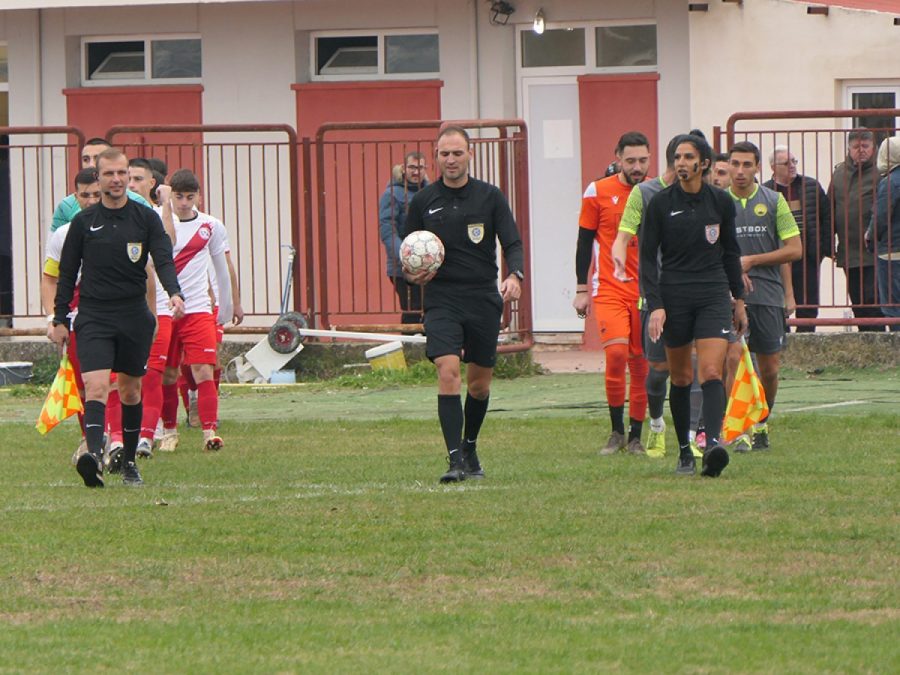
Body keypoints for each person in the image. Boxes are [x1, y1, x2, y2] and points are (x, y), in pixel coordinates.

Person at [48, 148, 185, 487]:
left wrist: (174, 292)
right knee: (94, 386)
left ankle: (128, 465)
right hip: (94, 315)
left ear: (128, 175)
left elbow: (163, 259)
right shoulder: (83, 222)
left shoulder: (145, 219)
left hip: (133, 315)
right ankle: (94, 456)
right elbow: (66, 275)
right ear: (99, 177)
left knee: (130, 391)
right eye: (109, 173)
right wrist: (59, 318)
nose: (116, 179)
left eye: (122, 173)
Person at [402, 125, 524, 483]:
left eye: (457, 153)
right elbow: (408, 253)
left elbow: (512, 242)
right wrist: (413, 276)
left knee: (479, 385)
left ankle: (470, 446)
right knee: (448, 372)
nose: (451, 160)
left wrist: (514, 275)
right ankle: (454, 460)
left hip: (483, 297)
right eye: (444, 154)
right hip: (442, 298)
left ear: (470, 155)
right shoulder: (423, 202)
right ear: (435, 157)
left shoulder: (490, 197)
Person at [640, 134, 747, 477]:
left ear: (703, 162)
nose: (681, 163)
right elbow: (646, 260)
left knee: (712, 371)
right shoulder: (659, 204)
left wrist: (738, 299)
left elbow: (730, 252)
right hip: (675, 295)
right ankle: (685, 453)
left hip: (713, 293)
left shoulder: (720, 201)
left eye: (688, 157)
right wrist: (656, 304)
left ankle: (712, 445)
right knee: (682, 376)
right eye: (677, 157)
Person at [573, 131, 650, 456]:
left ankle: (635, 436)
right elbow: (583, 241)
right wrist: (580, 288)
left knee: (642, 362)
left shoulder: (655, 193)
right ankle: (616, 431)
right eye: (630, 160)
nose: (637, 166)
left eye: (643, 160)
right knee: (617, 355)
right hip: (609, 289)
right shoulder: (598, 191)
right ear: (617, 157)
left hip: (646, 291)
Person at [726, 141, 801, 451]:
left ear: (758, 167)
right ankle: (738, 429)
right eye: (735, 164)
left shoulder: (774, 201)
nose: (740, 171)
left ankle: (762, 423)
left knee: (769, 369)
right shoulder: (717, 202)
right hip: (727, 295)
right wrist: (731, 271)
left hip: (767, 294)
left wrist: (752, 261)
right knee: (732, 362)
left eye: (747, 165)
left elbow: (794, 249)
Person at [611, 134, 680, 459]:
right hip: (654, 295)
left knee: (703, 366)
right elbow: (624, 232)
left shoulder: (710, 196)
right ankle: (655, 425)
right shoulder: (645, 194)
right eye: (631, 160)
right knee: (657, 368)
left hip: (697, 293)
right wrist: (619, 251)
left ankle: (699, 435)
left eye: (642, 160)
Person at [157, 169, 234, 453]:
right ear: (170, 194)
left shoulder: (211, 226)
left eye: (190, 196)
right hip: (166, 309)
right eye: (179, 196)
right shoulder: (158, 218)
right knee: (168, 374)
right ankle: (169, 431)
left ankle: (209, 431)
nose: (185, 202)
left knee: (203, 370)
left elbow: (221, 267)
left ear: (199, 196)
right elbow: (167, 246)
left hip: (198, 308)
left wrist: (225, 307)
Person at [40, 168, 101, 464]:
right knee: (83, 384)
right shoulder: (63, 236)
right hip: (79, 319)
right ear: (75, 197)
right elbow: (50, 279)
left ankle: (124, 440)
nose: (90, 201)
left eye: (96, 194)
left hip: (119, 315)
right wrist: (55, 318)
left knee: (122, 383)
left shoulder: (126, 226)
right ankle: (92, 443)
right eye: (84, 195)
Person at [763, 145, 830, 332]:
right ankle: (781, 338)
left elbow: (826, 217)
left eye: (794, 161)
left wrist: (823, 249)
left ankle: (806, 337)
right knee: (778, 301)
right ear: (773, 167)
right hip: (777, 256)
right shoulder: (765, 191)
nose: (792, 166)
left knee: (808, 302)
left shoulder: (811, 186)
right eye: (786, 163)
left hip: (807, 255)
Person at [829, 129, 882, 331]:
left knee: (874, 301)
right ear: (849, 149)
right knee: (858, 301)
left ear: (874, 148)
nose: (861, 151)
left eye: (865, 147)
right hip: (849, 251)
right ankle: (867, 345)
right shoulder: (840, 173)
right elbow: (830, 208)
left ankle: (880, 345)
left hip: (875, 250)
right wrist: (829, 243)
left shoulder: (881, 172)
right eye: (856, 147)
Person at [50, 138, 151, 232]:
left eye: (97, 159)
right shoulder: (66, 206)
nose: (91, 164)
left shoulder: (139, 202)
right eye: (86, 159)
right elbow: (54, 246)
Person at [379, 151, 428, 326]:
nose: (416, 172)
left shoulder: (430, 192)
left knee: (432, 309)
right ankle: (411, 348)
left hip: (429, 263)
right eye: (412, 167)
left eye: (421, 167)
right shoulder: (392, 194)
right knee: (412, 309)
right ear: (403, 169)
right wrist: (405, 255)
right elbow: (387, 229)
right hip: (401, 267)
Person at [867, 135, 900, 330]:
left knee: (893, 306)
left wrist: (870, 237)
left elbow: (881, 215)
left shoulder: (890, 183)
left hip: (892, 251)